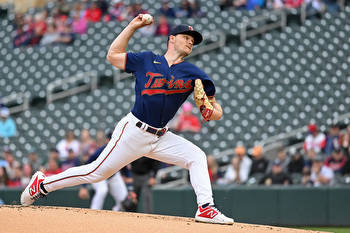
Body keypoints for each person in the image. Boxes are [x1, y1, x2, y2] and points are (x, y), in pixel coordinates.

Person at [21, 14, 233, 225]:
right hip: (134, 131)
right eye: (186, 36)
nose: (190, 41)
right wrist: (132, 26)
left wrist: (210, 111)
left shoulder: (193, 72)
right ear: (171, 38)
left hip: (161, 136)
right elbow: (113, 55)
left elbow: (216, 109)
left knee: (197, 156)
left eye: (193, 40)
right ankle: (42, 184)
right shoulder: (147, 60)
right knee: (96, 172)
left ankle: (206, 208)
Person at [78, 132, 129, 211]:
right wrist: (83, 187)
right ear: (107, 140)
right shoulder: (100, 151)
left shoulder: (120, 150)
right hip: (99, 175)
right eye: (111, 139)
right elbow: (87, 167)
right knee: (102, 190)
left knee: (123, 197)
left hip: (113, 176)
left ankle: (118, 213)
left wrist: (127, 175)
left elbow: (124, 164)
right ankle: (94, 212)